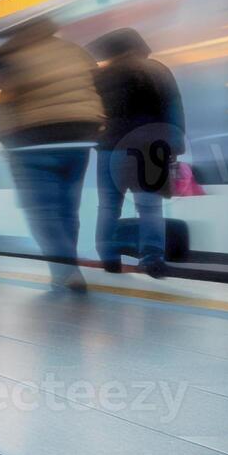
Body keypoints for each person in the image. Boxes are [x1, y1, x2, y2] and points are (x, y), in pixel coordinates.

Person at [0, 18, 104, 292]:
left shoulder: (16, 54)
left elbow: (8, 103)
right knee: (68, 209)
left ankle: (66, 270)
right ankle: (66, 270)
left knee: (42, 211)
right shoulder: (74, 50)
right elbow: (97, 87)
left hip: (33, 138)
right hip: (79, 137)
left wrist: (5, 140)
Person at [92, 28, 185, 279]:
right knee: (151, 207)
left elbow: (91, 114)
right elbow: (174, 109)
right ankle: (152, 258)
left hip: (110, 149)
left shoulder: (100, 76)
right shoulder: (157, 70)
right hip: (150, 146)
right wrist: (175, 146)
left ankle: (109, 257)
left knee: (109, 206)